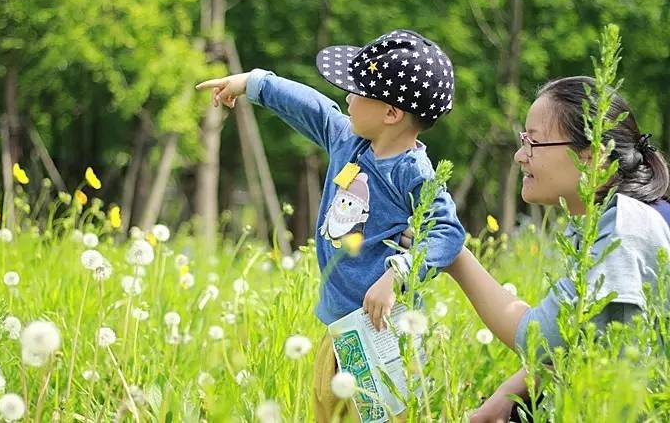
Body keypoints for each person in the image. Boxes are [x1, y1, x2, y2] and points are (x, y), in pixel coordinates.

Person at [196, 29, 466, 421]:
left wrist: (398, 276)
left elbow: (448, 231)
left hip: (380, 335)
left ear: (391, 113)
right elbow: (313, 107)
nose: (347, 97)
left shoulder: (413, 173)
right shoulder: (350, 140)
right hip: (337, 325)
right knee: (327, 408)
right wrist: (253, 83)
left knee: (377, 416)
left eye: (358, 91)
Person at [400, 76, 670, 422]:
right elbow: (577, 340)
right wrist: (510, 392)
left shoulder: (626, 230)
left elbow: (537, 339)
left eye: (534, 143)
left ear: (592, 155)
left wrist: (454, 253)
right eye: (522, 140)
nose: (519, 156)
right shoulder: (611, 219)